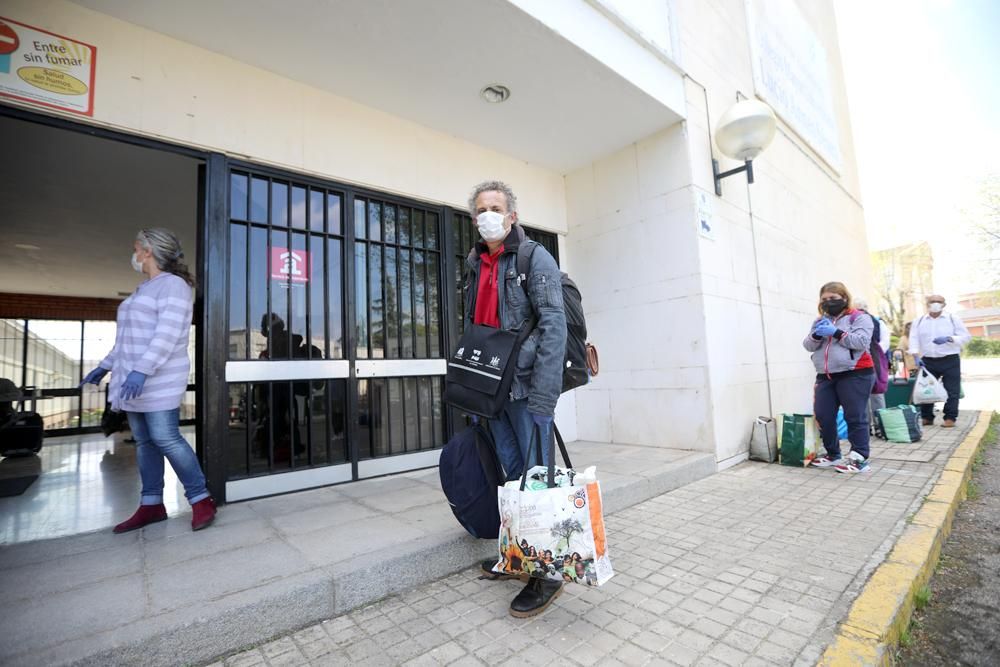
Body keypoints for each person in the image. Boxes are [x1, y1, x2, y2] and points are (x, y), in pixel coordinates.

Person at [464, 180, 567, 618]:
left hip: (527, 391)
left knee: (538, 479)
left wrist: (545, 396)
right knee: (512, 479)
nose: (488, 215)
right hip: (493, 392)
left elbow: (553, 325)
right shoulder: (474, 264)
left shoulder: (532, 258)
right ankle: (519, 555)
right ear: (475, 219)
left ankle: (549, 571)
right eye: (481, 209)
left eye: (496, 208)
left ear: (512, 217)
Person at [81, 228, 216, 533]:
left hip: (157, 379)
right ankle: (152, 504)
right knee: (144, 442)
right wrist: (104, 367)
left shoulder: (174, 286)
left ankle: (201, 498)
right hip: (132, 381)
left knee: (166, 437)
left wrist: (143, 369)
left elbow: (167, 335)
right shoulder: (144, 289)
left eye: (136, 248)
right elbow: (127, 341)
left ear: (148, 251)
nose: (135, 254)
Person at [802, 282, 875, 473]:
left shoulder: (859, 317)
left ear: (844, 298)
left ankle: (859, 458)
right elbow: (808, 345)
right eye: (824, 299)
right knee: (824, 415)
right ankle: (833, 454)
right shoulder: (820, 320)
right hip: (826, 375)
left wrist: (836, 332)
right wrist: (817, 335)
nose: (828, 302)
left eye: (833, 298)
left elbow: (861, 342)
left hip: (855, 373)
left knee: (855, 416)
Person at [908, 295, 971, 427]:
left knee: (952, 390)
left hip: (950, 359)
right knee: (926, 389)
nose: (935, 304)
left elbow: (966, 337)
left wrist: (949, 338)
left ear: (944, 304)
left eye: (939, 302)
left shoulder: (953, 319)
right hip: (927, 361)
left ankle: (950, 418)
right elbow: (913, 339)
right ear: (927, 304)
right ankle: (927, 417)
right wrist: (915, 356)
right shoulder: (919, 321)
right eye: (932, 302)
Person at [854, 298, 890, 418]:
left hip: (874, 360)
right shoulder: (852, 321)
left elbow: (884, 343)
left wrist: (873, 353)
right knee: (863, 394)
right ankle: (868, 426)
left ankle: (879, 424)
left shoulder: (877, 322)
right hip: (863, 360)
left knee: (875, 392)